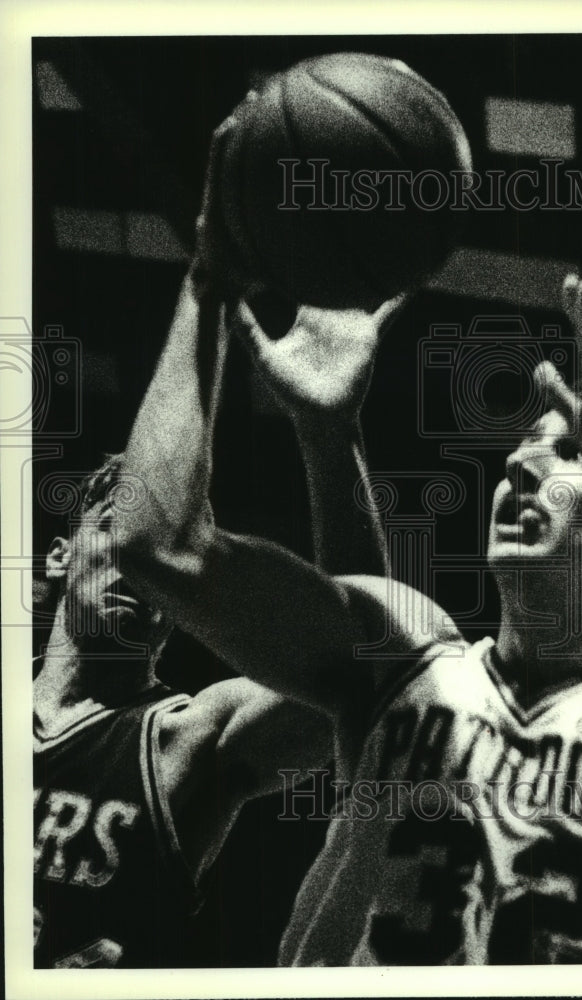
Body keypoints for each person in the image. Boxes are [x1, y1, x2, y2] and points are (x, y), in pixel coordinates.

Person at [115, 122, 582, 964]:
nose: (520, 465)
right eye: (518, 450)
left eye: (571, 452)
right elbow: (157, 547)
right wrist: (212, 280)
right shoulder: (413, 659)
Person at [32, 267, 400, 968]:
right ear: (58, 556)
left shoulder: (186, 739)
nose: (136, 570)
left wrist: (328, 434)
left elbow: (363, 680)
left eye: (159, 553)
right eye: (115, 527)